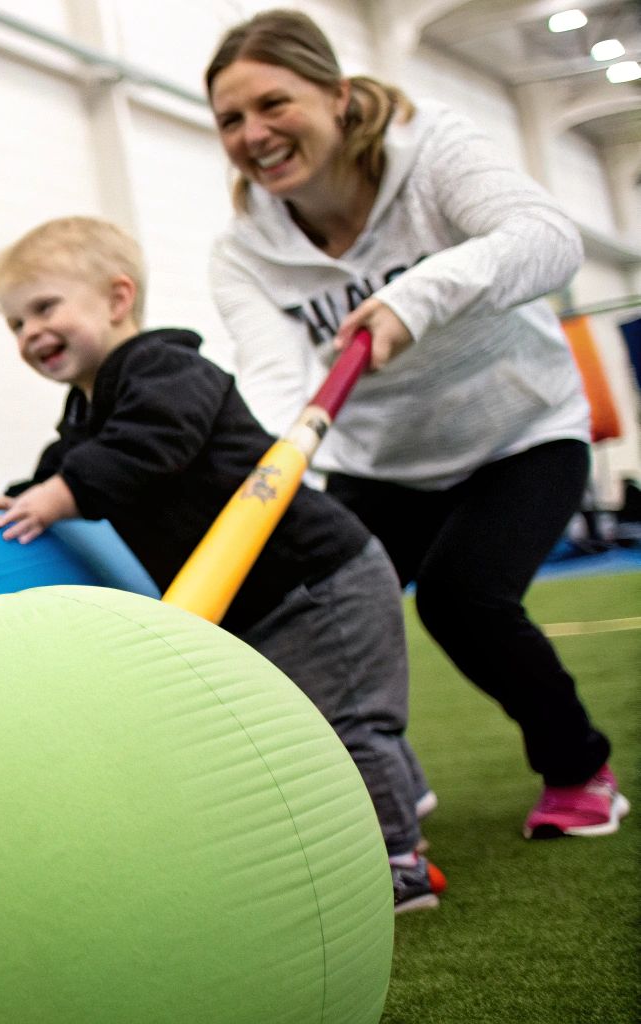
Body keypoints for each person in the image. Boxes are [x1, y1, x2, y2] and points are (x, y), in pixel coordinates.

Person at [205, 9, 626, 839]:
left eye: (273, 104)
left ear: (335, 93)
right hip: (381, 460)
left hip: (521, 430)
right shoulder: (243, 251)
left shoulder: (433, 150)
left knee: (462, 597)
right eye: (230, 119)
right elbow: (273, 375)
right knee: (305, 607)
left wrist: (413, 297)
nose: (254, 134)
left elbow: (548, 240)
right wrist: (260, 456)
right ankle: (384, 782)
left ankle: (580, 769)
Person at [0, 215, 442, 911]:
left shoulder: (166, 368)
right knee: (332, 711)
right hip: (259, 597)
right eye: (15, 324)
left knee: (349, 720)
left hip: (319, 578)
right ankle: (407, 797)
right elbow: (64, 465)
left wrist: (57, 498)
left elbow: (153, 444)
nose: (30, 334)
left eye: (44, 308)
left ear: (118, 299)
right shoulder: (86, 409)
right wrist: (16, 500)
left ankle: (398, 860)